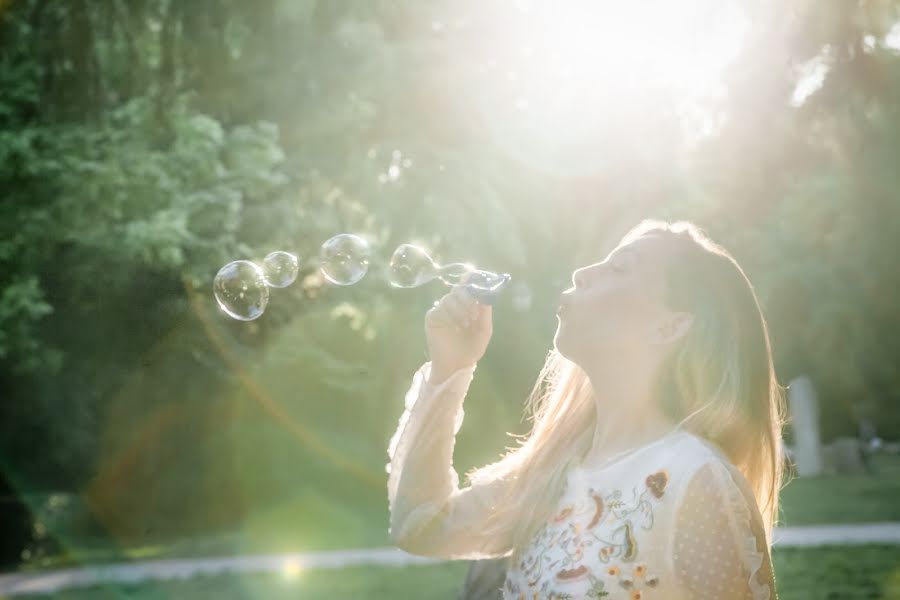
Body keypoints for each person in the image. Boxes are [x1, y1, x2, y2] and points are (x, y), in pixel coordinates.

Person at [387, 220, 785, 599]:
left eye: (620, 268)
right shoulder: (552, 471)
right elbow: (421, 526)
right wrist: (450, 368)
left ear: (669, 327)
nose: (582, 273)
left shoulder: (693, 478)